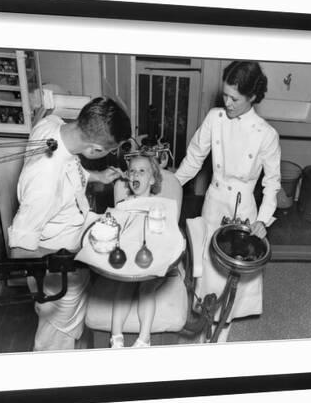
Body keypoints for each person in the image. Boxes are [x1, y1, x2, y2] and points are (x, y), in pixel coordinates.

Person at [8, 96, 131, 351]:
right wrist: (74, 258)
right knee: (55, 345)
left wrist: (94, 175)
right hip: (58, 275)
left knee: (75, 331)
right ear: (95, 150)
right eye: (108, 151)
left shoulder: (52, 125)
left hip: (74, 250)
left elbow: (68, 168)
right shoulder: (44, 181)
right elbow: (19, 252)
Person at [174, 61, 281, 341]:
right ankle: (203, 323)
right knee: (207, 268)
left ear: (253, 97)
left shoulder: (266, 134)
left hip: (244, 208)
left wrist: (263, 220)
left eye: (235, 98)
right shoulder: (215, 118)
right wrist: (171, 184)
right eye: (225, 95)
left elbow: (272, 184)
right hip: (215, 199)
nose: (228, 102)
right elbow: (195, 157)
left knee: (233, 275)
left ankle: (222, 330)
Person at [110, 154, 165, 348]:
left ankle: (144, 338)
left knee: (147, 288)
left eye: (142, 171)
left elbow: (166, 234)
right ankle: (116, 337)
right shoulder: (123, 205)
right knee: (123, 287)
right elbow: (114, 231)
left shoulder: (160, 206)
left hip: (152, 260)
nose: (136, 174)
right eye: (132, 170)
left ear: (151, 179)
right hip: (127, 262)